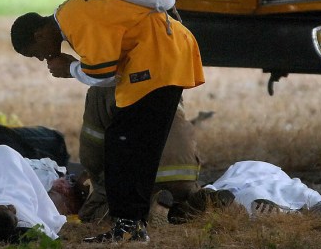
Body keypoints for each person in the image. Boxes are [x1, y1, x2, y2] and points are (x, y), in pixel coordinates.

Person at [11, 0, 205, 242]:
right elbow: (110, 70)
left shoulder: (73, 23)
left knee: (122, 144)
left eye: (34, 52)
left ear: (38, 34)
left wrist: (69, 68)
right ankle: (135, 224)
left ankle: (129, 226)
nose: (40, 58)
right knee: (134, 143)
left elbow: (101, 73)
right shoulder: (72, 11)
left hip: (157, 60)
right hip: (169, 52)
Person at [77, 85, 233, 226]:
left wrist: (99, 181)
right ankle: (197, 201)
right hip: (183, 173)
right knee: (178, 195)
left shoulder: (101, 86)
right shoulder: (166, 76)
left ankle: (150, 208)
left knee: (91, 212)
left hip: (142, 178)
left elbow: (91, 155)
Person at [203, 160, 321, 219]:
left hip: (271, 177)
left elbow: (207, 195)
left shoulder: (221, 183)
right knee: (298, 193)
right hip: (266, 181)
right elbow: (209, 197)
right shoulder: (222, 185)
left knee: (299, 192)